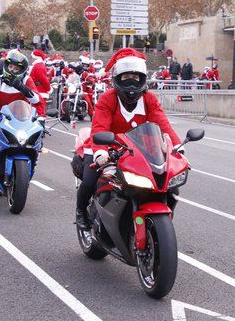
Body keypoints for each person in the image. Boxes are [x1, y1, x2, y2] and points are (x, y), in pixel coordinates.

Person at [75, 48, 182, 230]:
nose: (131, 82)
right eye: (125, 77)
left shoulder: (149, 99)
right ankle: (81, 213)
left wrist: (177, 146)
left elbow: (162, 122)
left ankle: (157, 223)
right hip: (107, 148)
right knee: (89, 180)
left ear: (142, 78)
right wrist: (101, 151)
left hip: (140, 151)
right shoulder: (108, 98)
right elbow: (100, 127)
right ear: (117, 78)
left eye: (135, 77)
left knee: (169, 185)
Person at [0, 50, 45, 169]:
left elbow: (37, 100)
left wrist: (21, 87)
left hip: (22, 118)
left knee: (37, 139)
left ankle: (33, 161)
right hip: (0, 115)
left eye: (16, 69)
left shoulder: (27, 80)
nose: (12, 70)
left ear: (22, 70)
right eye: (10, 67)